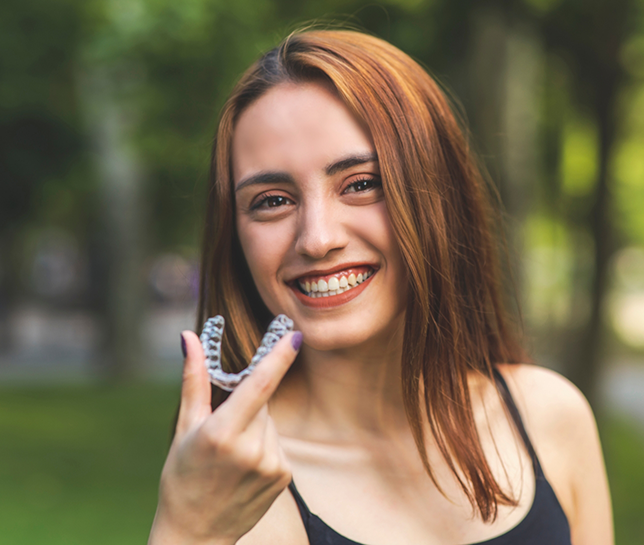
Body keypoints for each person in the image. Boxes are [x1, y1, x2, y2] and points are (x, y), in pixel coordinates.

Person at [148, 29, 614, 545]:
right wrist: (187, 530)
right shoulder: (242, 488)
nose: (318, 239)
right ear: (234, 238)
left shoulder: (551, 416)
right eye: (273, 200)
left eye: (362, 184)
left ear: (441, 195)